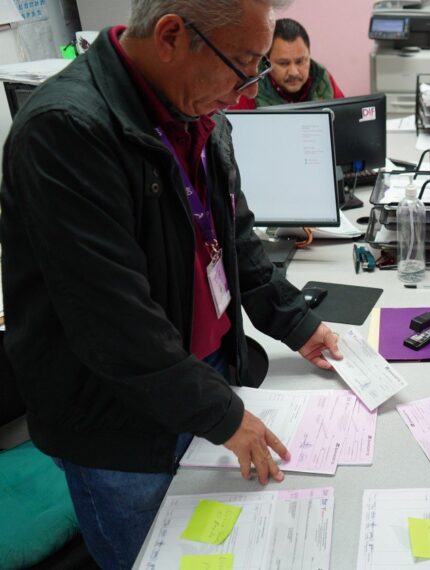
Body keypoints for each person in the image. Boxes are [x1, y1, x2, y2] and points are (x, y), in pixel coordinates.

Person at [0, 1, 343, 567]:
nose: (242, 90)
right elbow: (114, 323)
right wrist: (225, 417)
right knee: (153, 558)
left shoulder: (200, 109)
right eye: (240, 64)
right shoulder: (66, 132)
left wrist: (297, 323)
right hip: (121, 422)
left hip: (201, 381)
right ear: (171, 35)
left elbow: (232, 238)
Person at [233, 18, 343, 109]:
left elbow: (345, 120)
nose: (293, 72)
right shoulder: (250, 90)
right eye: (283, 63)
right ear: (267, 61)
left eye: (300, 61)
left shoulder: (322, 77)